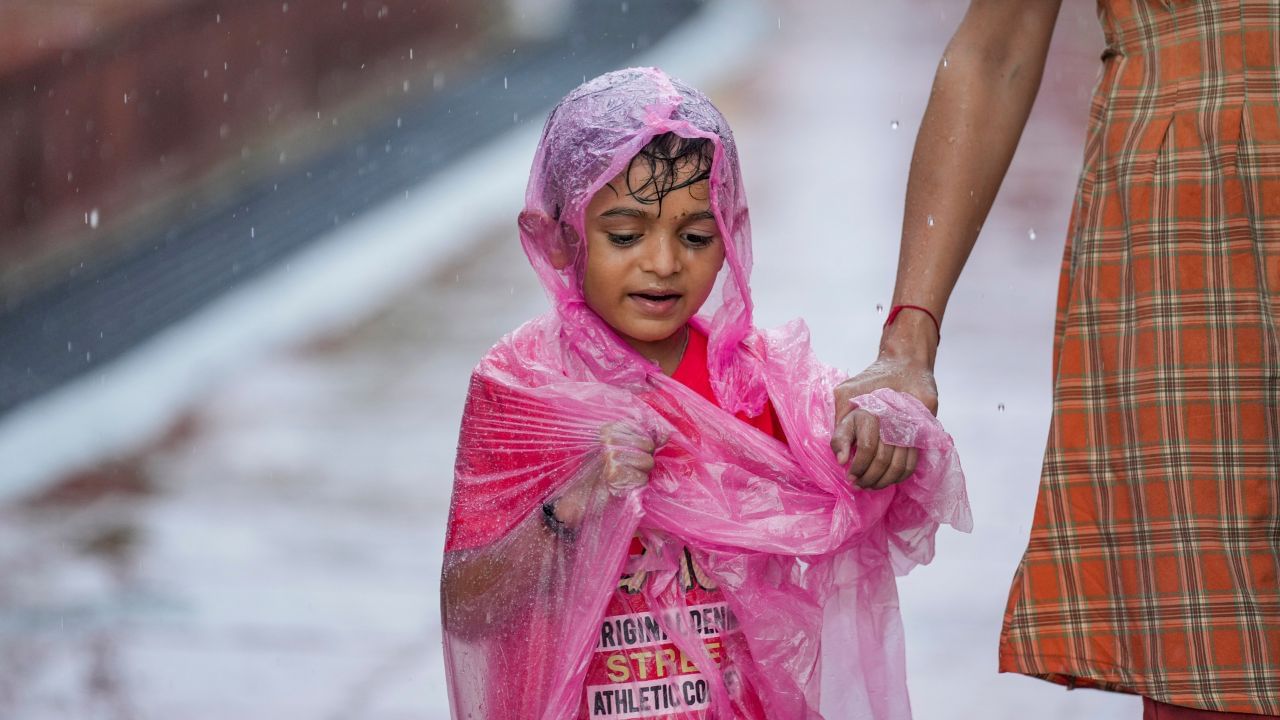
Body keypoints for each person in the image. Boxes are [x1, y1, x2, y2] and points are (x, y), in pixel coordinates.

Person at [441, 67, 971, 719]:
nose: (664, 263)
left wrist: (878, 433)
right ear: (557, 236)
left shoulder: (756, 383)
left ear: (731, 235)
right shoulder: (526, 389)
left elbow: (858, 447)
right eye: (626, 234)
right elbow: (469, 604)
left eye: (695, 236)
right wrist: (573, 506)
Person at [831, 1, 1278, 717]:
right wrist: (907, 340)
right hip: (1191, 237)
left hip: (1184, 196)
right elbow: (996, 50)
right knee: (1213, 660)